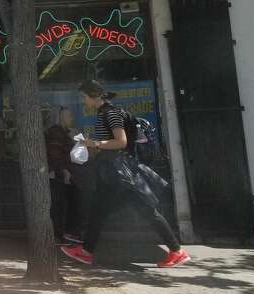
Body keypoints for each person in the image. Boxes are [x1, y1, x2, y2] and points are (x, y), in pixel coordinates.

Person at [60, 81, 190, 268]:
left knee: (110, 210)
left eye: (84, 97)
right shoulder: (106, 113)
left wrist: (94, 144)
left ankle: (87, 252)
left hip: (118, 173)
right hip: (116, 172)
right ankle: (177, 251)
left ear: (94, 96)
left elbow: (120, 142)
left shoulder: (110, 114)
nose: (83, 101)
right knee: (122, 211)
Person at [45, 106, 82, 244]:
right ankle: (60, 235)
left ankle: (65, 234)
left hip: (64, 175)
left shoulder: (66, 132)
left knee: (67, 205)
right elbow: (55, 155)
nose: (71, 119)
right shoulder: (56, 133)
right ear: (61, 118)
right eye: (69, 116)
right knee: (59, 207)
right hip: (59, 176)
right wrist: (65, 172)